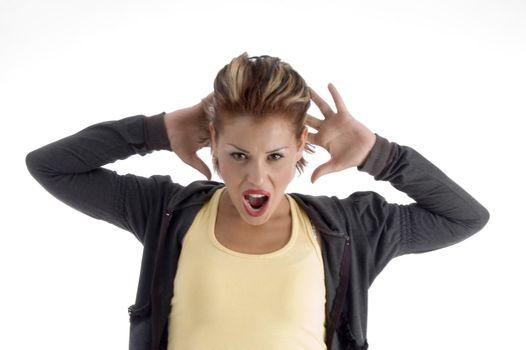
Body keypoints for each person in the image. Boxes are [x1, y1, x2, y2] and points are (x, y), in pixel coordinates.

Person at [26, 53, 489, 350]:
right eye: (238, 155)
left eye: (275, 157)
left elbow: (464, 217)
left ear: (301, 147)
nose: (256, 177)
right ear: (212, 145)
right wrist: (158, 129)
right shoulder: (168, 214)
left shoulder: (346, 231)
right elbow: (51, 165)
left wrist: (378, 155)